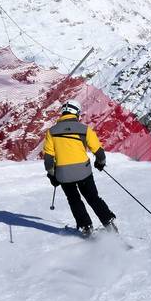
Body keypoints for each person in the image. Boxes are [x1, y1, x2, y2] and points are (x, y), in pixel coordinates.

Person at [44, 100, 118, 236]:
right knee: (93, 198)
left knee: (74, 200)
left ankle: (86, 227)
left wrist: (52, 175)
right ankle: (108, 223)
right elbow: (99, 153)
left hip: (63, 174)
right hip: (83, 172)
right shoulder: (85, 129)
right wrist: (100, 163)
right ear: (76, 113)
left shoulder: (51, 132)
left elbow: (48, 160)